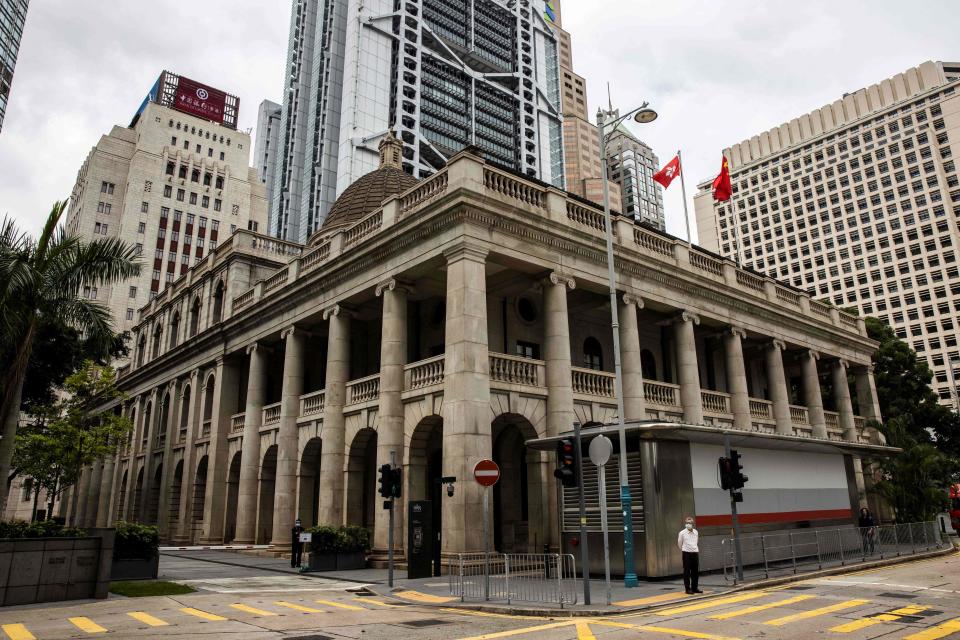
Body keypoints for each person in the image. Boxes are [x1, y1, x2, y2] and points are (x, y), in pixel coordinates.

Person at [678, 517, 702, 594]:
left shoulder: (696, 532)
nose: (688, 524)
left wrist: (694, 548)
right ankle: (687, 589)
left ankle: (694, 588)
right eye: (687, 523)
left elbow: (696, 542)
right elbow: (679, 544)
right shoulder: (682, 533)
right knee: (687, 571)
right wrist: (684, 549)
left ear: (693, 524)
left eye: (690, 523)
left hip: (695, 552)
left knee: (695, 571)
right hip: (686, 553)